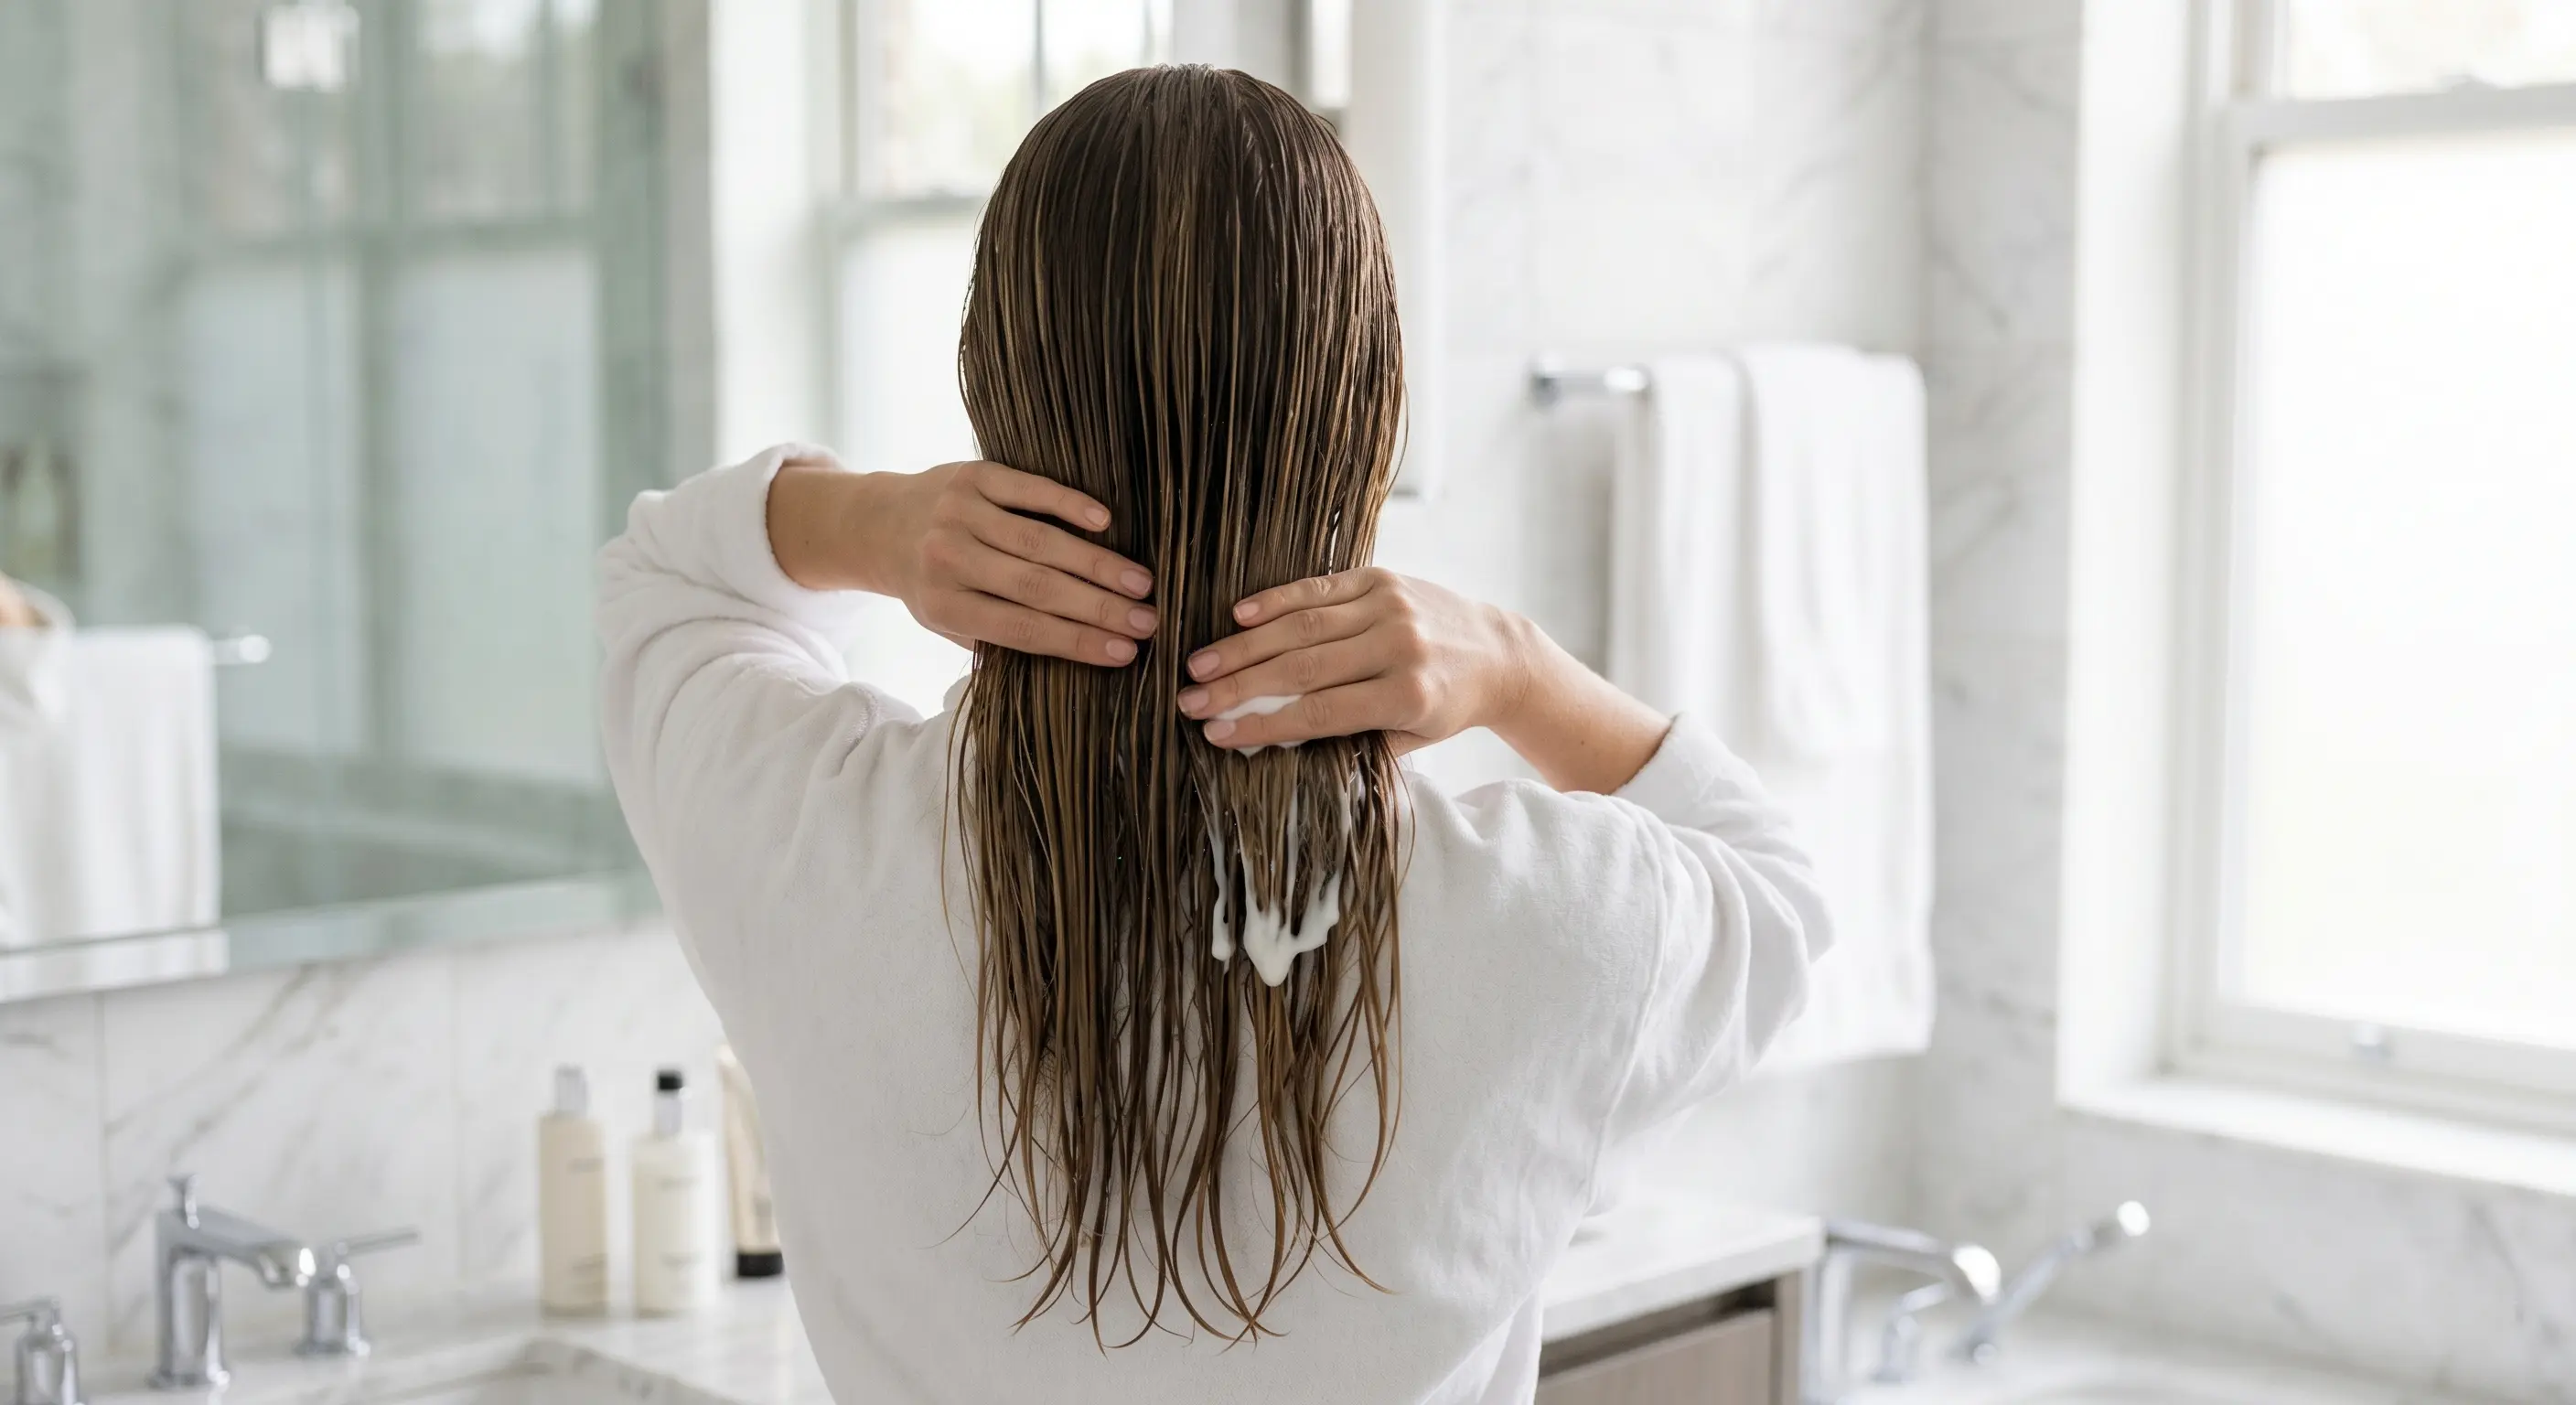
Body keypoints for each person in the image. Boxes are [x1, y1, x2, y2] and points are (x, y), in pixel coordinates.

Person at [597, 65, 1826, 1405]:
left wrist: (880, 524)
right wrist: (1514, 671)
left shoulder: (800, 848)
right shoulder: (1555, 928)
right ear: (1367, 419)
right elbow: (1780, 889)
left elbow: (664, 579)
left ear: (992, 388)